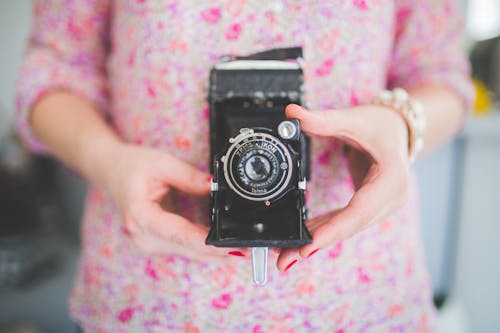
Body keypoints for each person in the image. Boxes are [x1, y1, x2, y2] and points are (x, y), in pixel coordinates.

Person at [16, 1, 473, 332]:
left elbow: (443, 76)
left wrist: (399, 125)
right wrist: (109, 162)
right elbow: (54, 69)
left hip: (357, 294)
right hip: (153, 295)